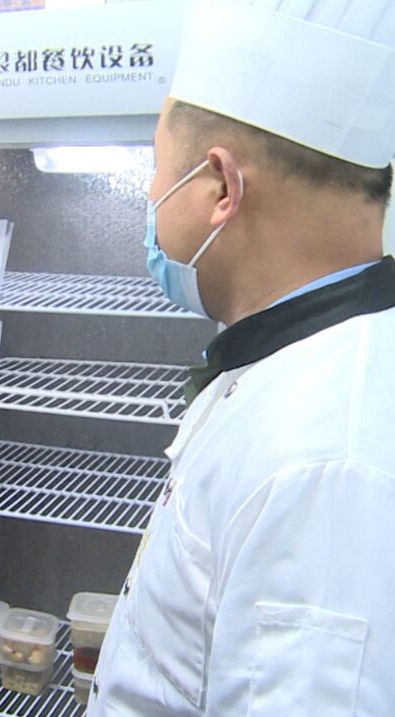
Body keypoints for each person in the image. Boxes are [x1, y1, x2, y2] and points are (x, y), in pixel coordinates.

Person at [91, 1, 395, 715]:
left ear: (222, 187)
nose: (150, 195)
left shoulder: (326, 461)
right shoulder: (297, 364)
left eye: (156, 168)